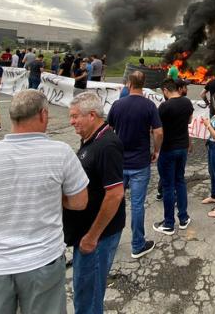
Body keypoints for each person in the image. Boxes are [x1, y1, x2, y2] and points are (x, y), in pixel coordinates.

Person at [0, 90, 89, 314]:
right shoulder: (61, 153)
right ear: (43, 115)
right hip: (43, 260)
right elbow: (79, 202)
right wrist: (51, 196)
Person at [64, 92, 126, 314]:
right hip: (86, 233)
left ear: (92, 115)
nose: (71, 121)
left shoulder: (107, 145)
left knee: (87, 299)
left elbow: (115, 194)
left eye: (74, 117)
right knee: (83, 293)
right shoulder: (92, 139)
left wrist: (92, 237)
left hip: (98, 237)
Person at [107, 70, 162, 259]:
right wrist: (156, 151)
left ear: (129, 84)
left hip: (119, 162)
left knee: (114, 202)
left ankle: (108, 243)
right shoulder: (149, 106)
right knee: (137, 205)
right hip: (140, 163)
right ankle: (137, 244)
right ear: (143, 84)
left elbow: (109, 130)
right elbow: (159, 132)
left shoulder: (117, 104)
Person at [153, 78, 194, 235]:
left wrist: (156, 150)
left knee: (168, 186)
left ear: (165, 90)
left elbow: (158, 130)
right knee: (180, 181)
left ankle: (169, 223)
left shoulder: (164, 106)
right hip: (182, 147)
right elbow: (189, 120)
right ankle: (183, 218)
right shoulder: (187, 102)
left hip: (168, 149)